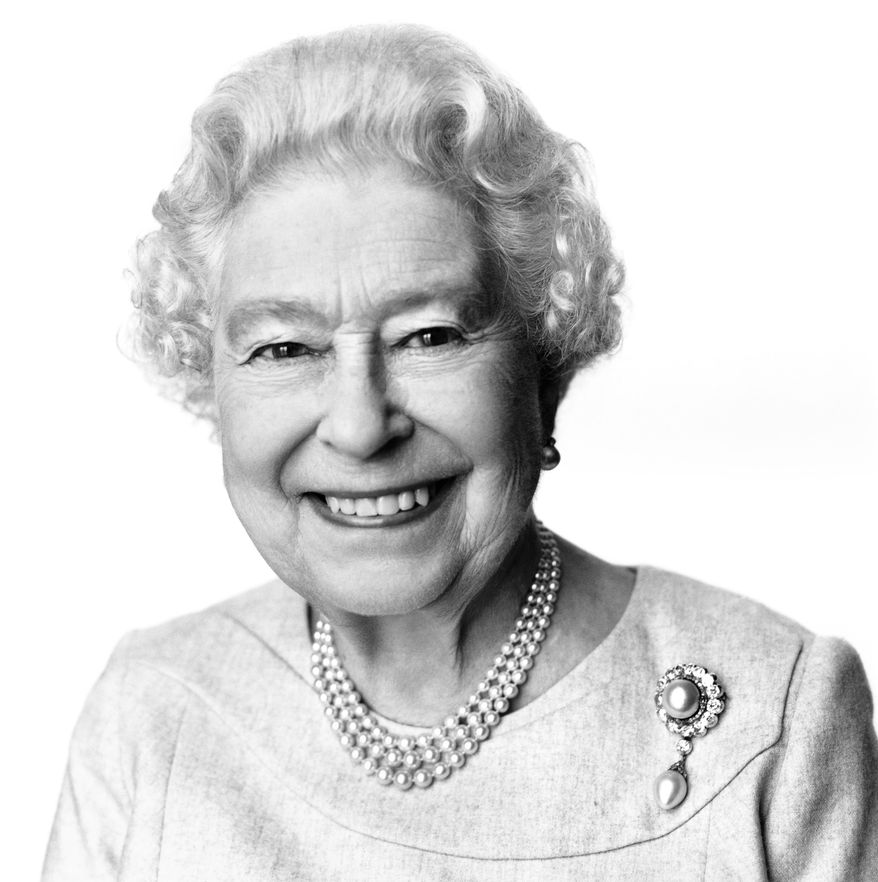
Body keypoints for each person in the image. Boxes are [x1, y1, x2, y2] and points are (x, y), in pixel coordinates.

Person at [42, 24, 878, 880]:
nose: (360, 427)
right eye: (285, 349)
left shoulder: (772, 717)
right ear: (210, 385)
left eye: (430, 335)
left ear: (543, 369)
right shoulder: (153, 716)